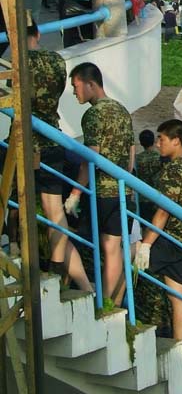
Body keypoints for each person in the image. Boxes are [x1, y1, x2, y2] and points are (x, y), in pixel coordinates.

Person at [27, 22, 92, 291]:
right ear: (38, 34)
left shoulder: (17, 63)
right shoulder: (55, 61)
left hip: (26, 141)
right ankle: (55, 267)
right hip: (52, 138)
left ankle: (19, 247)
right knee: (54, 209)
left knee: (16, 203)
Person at [134, 119, 182, 341]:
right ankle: (178, 342)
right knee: (178, 294)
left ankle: (113, 310)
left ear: (176, 141)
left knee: (129, 262)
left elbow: (164, 211)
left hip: (169, 238)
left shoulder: (174, 170)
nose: (158, 144)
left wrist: (146, 245)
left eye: (162, 139)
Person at [67, 62, 135, 302]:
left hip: (101, 193)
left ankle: (87, 291)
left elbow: (90, 157)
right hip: (123, 190)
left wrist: (75, 192)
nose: (74, 92)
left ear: (90, 84)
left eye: (76, 86)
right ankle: (109, 302)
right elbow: (130, 151)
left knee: (66, 235)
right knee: (113, 249)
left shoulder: (93, 114)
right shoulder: (121, 109)